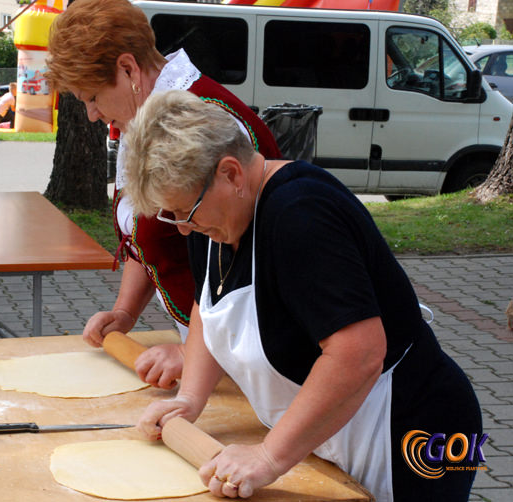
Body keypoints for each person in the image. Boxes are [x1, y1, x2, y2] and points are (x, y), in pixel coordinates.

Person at [128, 90, 482, 502]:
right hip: (336, 435)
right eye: (172, 216)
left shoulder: (301, 215)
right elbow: (210, 305)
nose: (183, 228)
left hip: (414, 431)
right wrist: (189, 398)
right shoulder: (213, 220)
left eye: (186, 213)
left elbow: (359, 353)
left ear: (231, 174)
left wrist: (269, 456)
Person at [45, 0, 280, 389]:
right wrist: (123, 314)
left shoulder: (206, 123)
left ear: (127, 69)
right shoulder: (142, 120)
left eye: (92, 97)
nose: (90, 114)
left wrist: (196, 354)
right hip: (208, 353)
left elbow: (249, 264)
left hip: (250, 355)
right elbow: (148, 235)